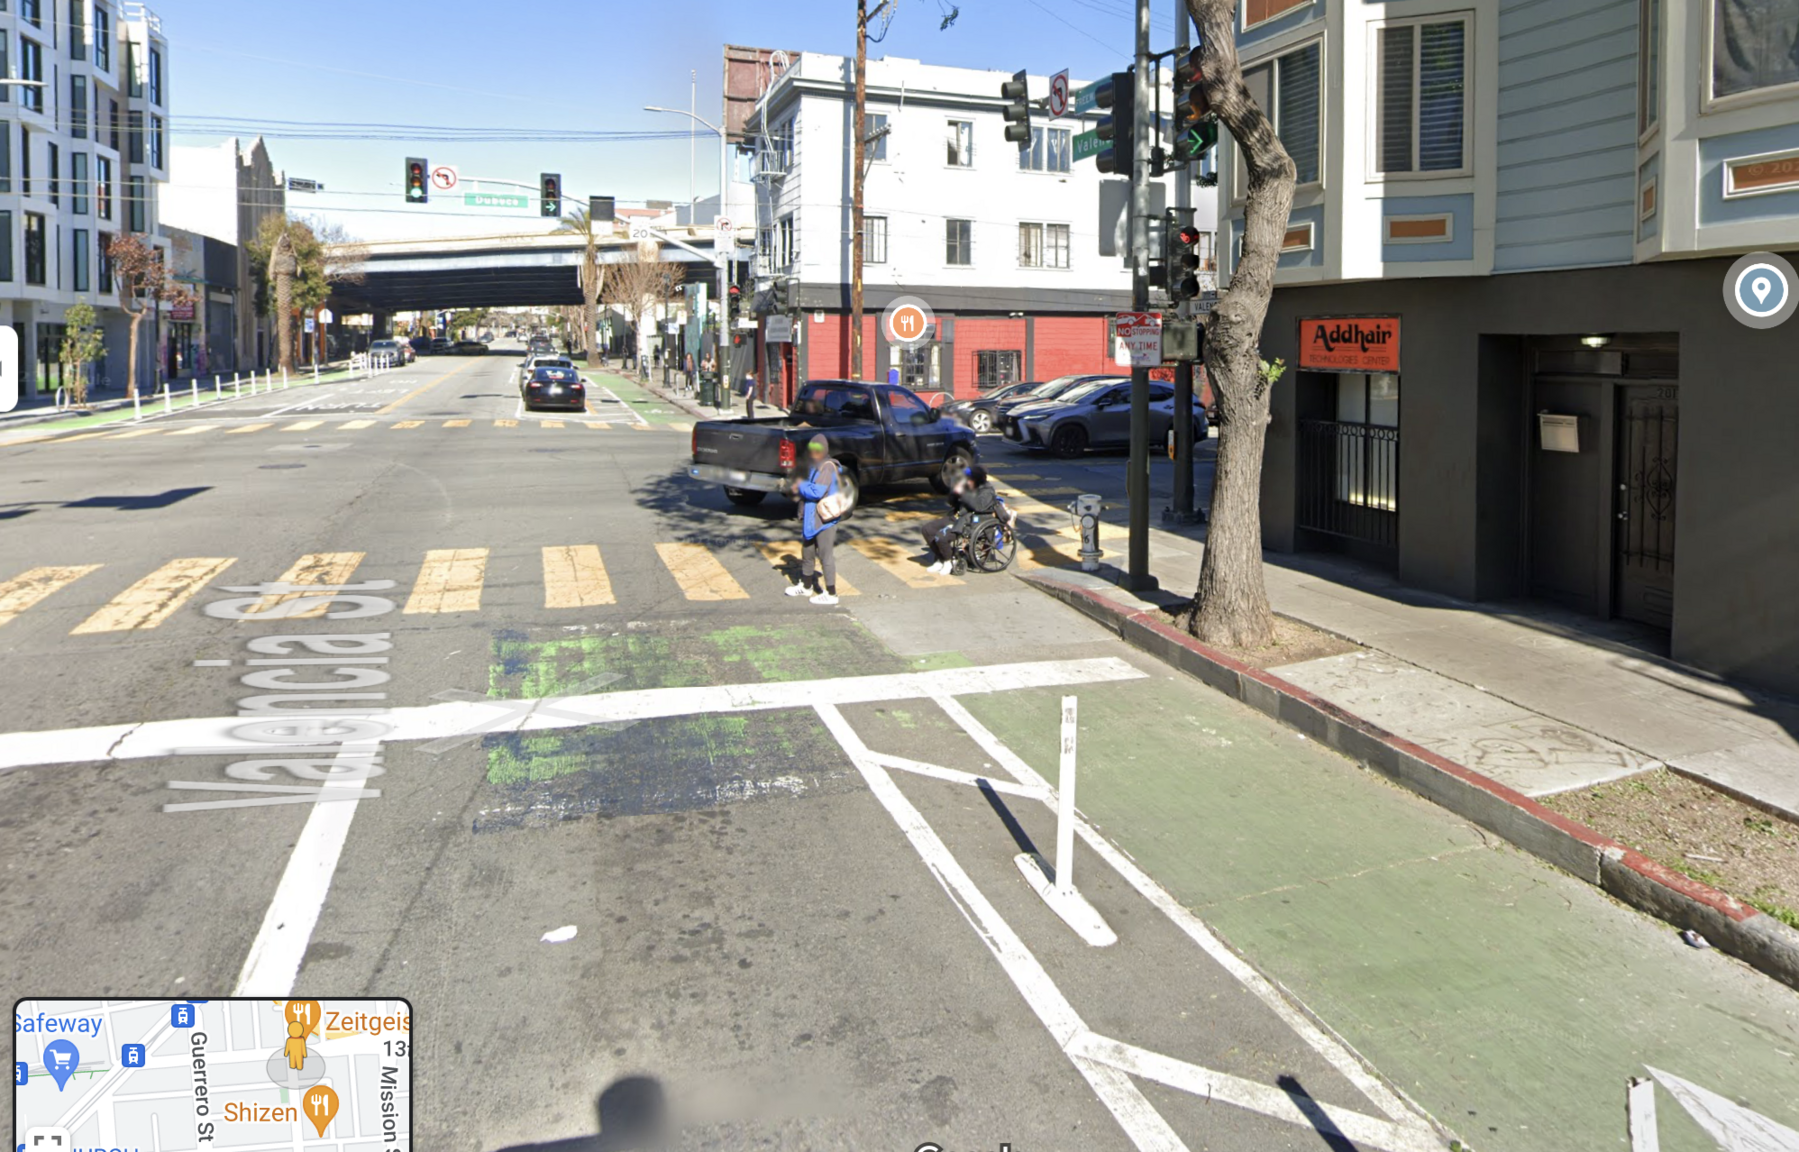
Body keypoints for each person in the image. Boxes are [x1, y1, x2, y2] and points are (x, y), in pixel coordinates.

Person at [783, 435, 843, 605]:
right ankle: (807, 586)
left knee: (825, 556)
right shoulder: (815, 466)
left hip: (824, 521)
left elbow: (817, 492)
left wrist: (801, 485)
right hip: (811, 518)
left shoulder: (827, 467)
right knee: (807, 553)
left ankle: (831, 594)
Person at [921, 465, 998, 575]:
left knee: (941, 537)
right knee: (927, 529)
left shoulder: (987, 491)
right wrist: (954, 493)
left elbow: (978, 507)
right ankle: (940, 558)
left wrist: (963, 493)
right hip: (956, 517)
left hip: (970, 522)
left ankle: (948, 561)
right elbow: (953, 503)